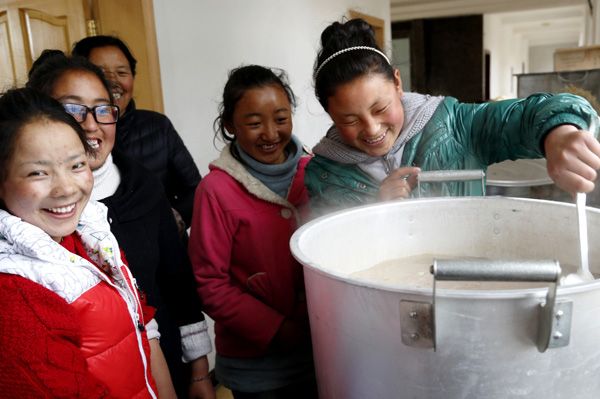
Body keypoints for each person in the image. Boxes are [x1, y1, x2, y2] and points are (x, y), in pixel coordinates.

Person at [26, 52, 215, 399]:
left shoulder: (142, 184)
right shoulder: (29, 210)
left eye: (103, 108)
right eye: (72, 109)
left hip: (161, 370)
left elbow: (176, 281)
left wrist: (199, 371)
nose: (90, 124)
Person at [305, 18, 600, 214]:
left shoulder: (457, 125)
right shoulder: (323, 175)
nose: (371, 129)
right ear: (330, 113)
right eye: (349, 120)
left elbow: (528, 115)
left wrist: (559, 131)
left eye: (380, 109)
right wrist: (377, 208)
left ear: (397, 83)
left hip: (468, 280)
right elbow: (336, 252)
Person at [0, 87, 166, 398]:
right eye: (38, 172)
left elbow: (140, 326)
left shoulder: (89, 231)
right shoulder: (14, 296)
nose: (66, 188)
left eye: (77, 165)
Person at [187, 65, 318, 399]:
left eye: (281, 118)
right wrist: (276, 328)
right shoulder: (216, 190)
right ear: (230, 125)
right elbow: (210, 284)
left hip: (320, 349)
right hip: (256, 366)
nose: (271, 133)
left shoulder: (317, 173)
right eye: (255, 123)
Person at [71, 35, 201, 232]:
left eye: (122, 72)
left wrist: (170, 222)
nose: (112, 81)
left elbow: (194, 190)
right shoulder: (69, 135)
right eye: (101, 72)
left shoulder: (158, 126)